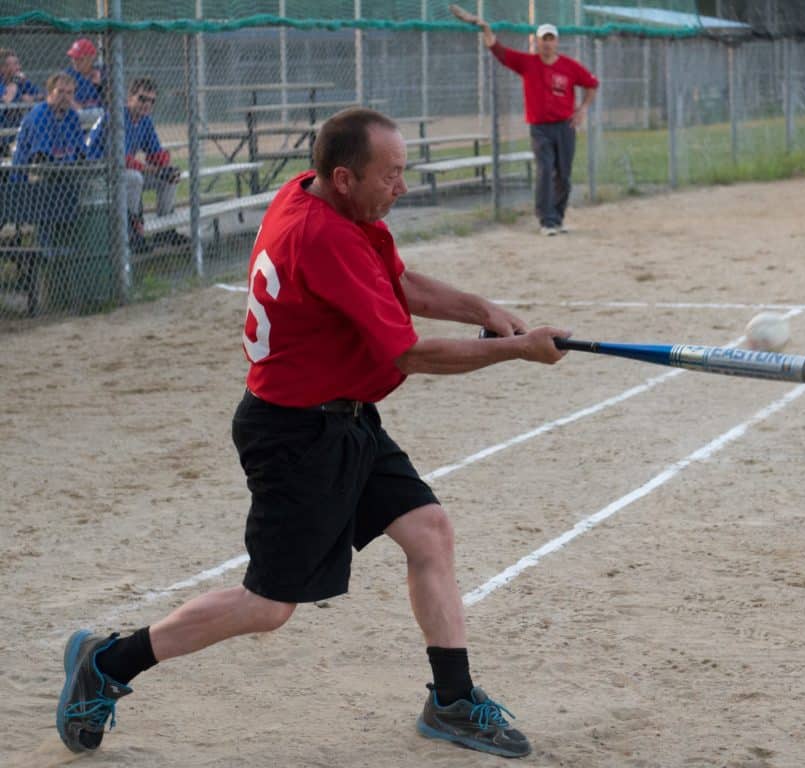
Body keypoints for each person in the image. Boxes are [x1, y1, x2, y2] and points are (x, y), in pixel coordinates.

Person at [56, 107, 569, 760]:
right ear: (346, 177)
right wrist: (519, 350)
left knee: (428, 531)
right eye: (392, 176)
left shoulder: (320, 196)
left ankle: (453, 699)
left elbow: (398, 281)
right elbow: (409, 355)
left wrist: (485, 311)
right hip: (294, 435)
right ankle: (107, 663)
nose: (403, 188)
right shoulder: (323, 237)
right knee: (268, 606)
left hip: (344, 415)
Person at [479, 20, 598, 236]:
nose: (548, 44)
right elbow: (499, 50)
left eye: (551, 39)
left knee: (564, 174)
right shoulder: (528, 63)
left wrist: (582, 109)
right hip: (540, 128)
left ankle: (558, 217)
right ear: (536, 41)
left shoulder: (569, 66)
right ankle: (546, 220)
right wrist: (486, 30)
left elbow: (592, 84)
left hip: (565, 127)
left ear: (557, 42)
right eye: (544, 39)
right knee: (544, 170)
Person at [87, 77, 184, 252]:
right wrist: (156, 169)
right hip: (97, 172)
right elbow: (120, 160)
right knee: (134, 178)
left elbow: (155, 155)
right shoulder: (116, 117)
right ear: (130, 97)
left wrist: (166, 166)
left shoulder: (145, 121)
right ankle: (131, 232)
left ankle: (165, 229)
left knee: (168, 179)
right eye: (142, 98)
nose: (147, 104)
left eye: (151, 101)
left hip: (120, 172)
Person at [12, 72, 86, 167]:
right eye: (60, 91)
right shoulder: (40, 115)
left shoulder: (71, 115)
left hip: (66, 173)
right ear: (50, 93)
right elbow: (40, 158)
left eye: (69, 92)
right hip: (33, 176)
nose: (65, 97)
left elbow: (81, 153)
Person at [65, 37, 104, 124]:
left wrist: (100, 85)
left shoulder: (102, 73)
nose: (75, 61)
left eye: (80, 59)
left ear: (91, 58)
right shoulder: (68, 75)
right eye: (73, 58)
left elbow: (111, 101)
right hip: (75, 119)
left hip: (100, 116)